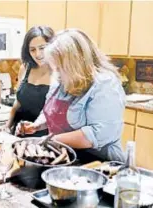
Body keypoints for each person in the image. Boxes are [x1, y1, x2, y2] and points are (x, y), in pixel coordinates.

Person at [16, 29, 126, 162]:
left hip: (99, 163)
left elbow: (98, 133)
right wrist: (37, 125)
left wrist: (51, 140)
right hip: (66, 156)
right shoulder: (61, 79)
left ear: (74, 64)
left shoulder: (105, 83)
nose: (56, 72)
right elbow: (51, 110)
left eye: (60, 67)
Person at [6, 26, 54, 137]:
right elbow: (18, 103)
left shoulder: (59, 73)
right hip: (19, 132)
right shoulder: (25, 68)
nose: (37, 54)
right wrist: (7, 127)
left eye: (42, 48)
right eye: (32, 49)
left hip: (45, 137)